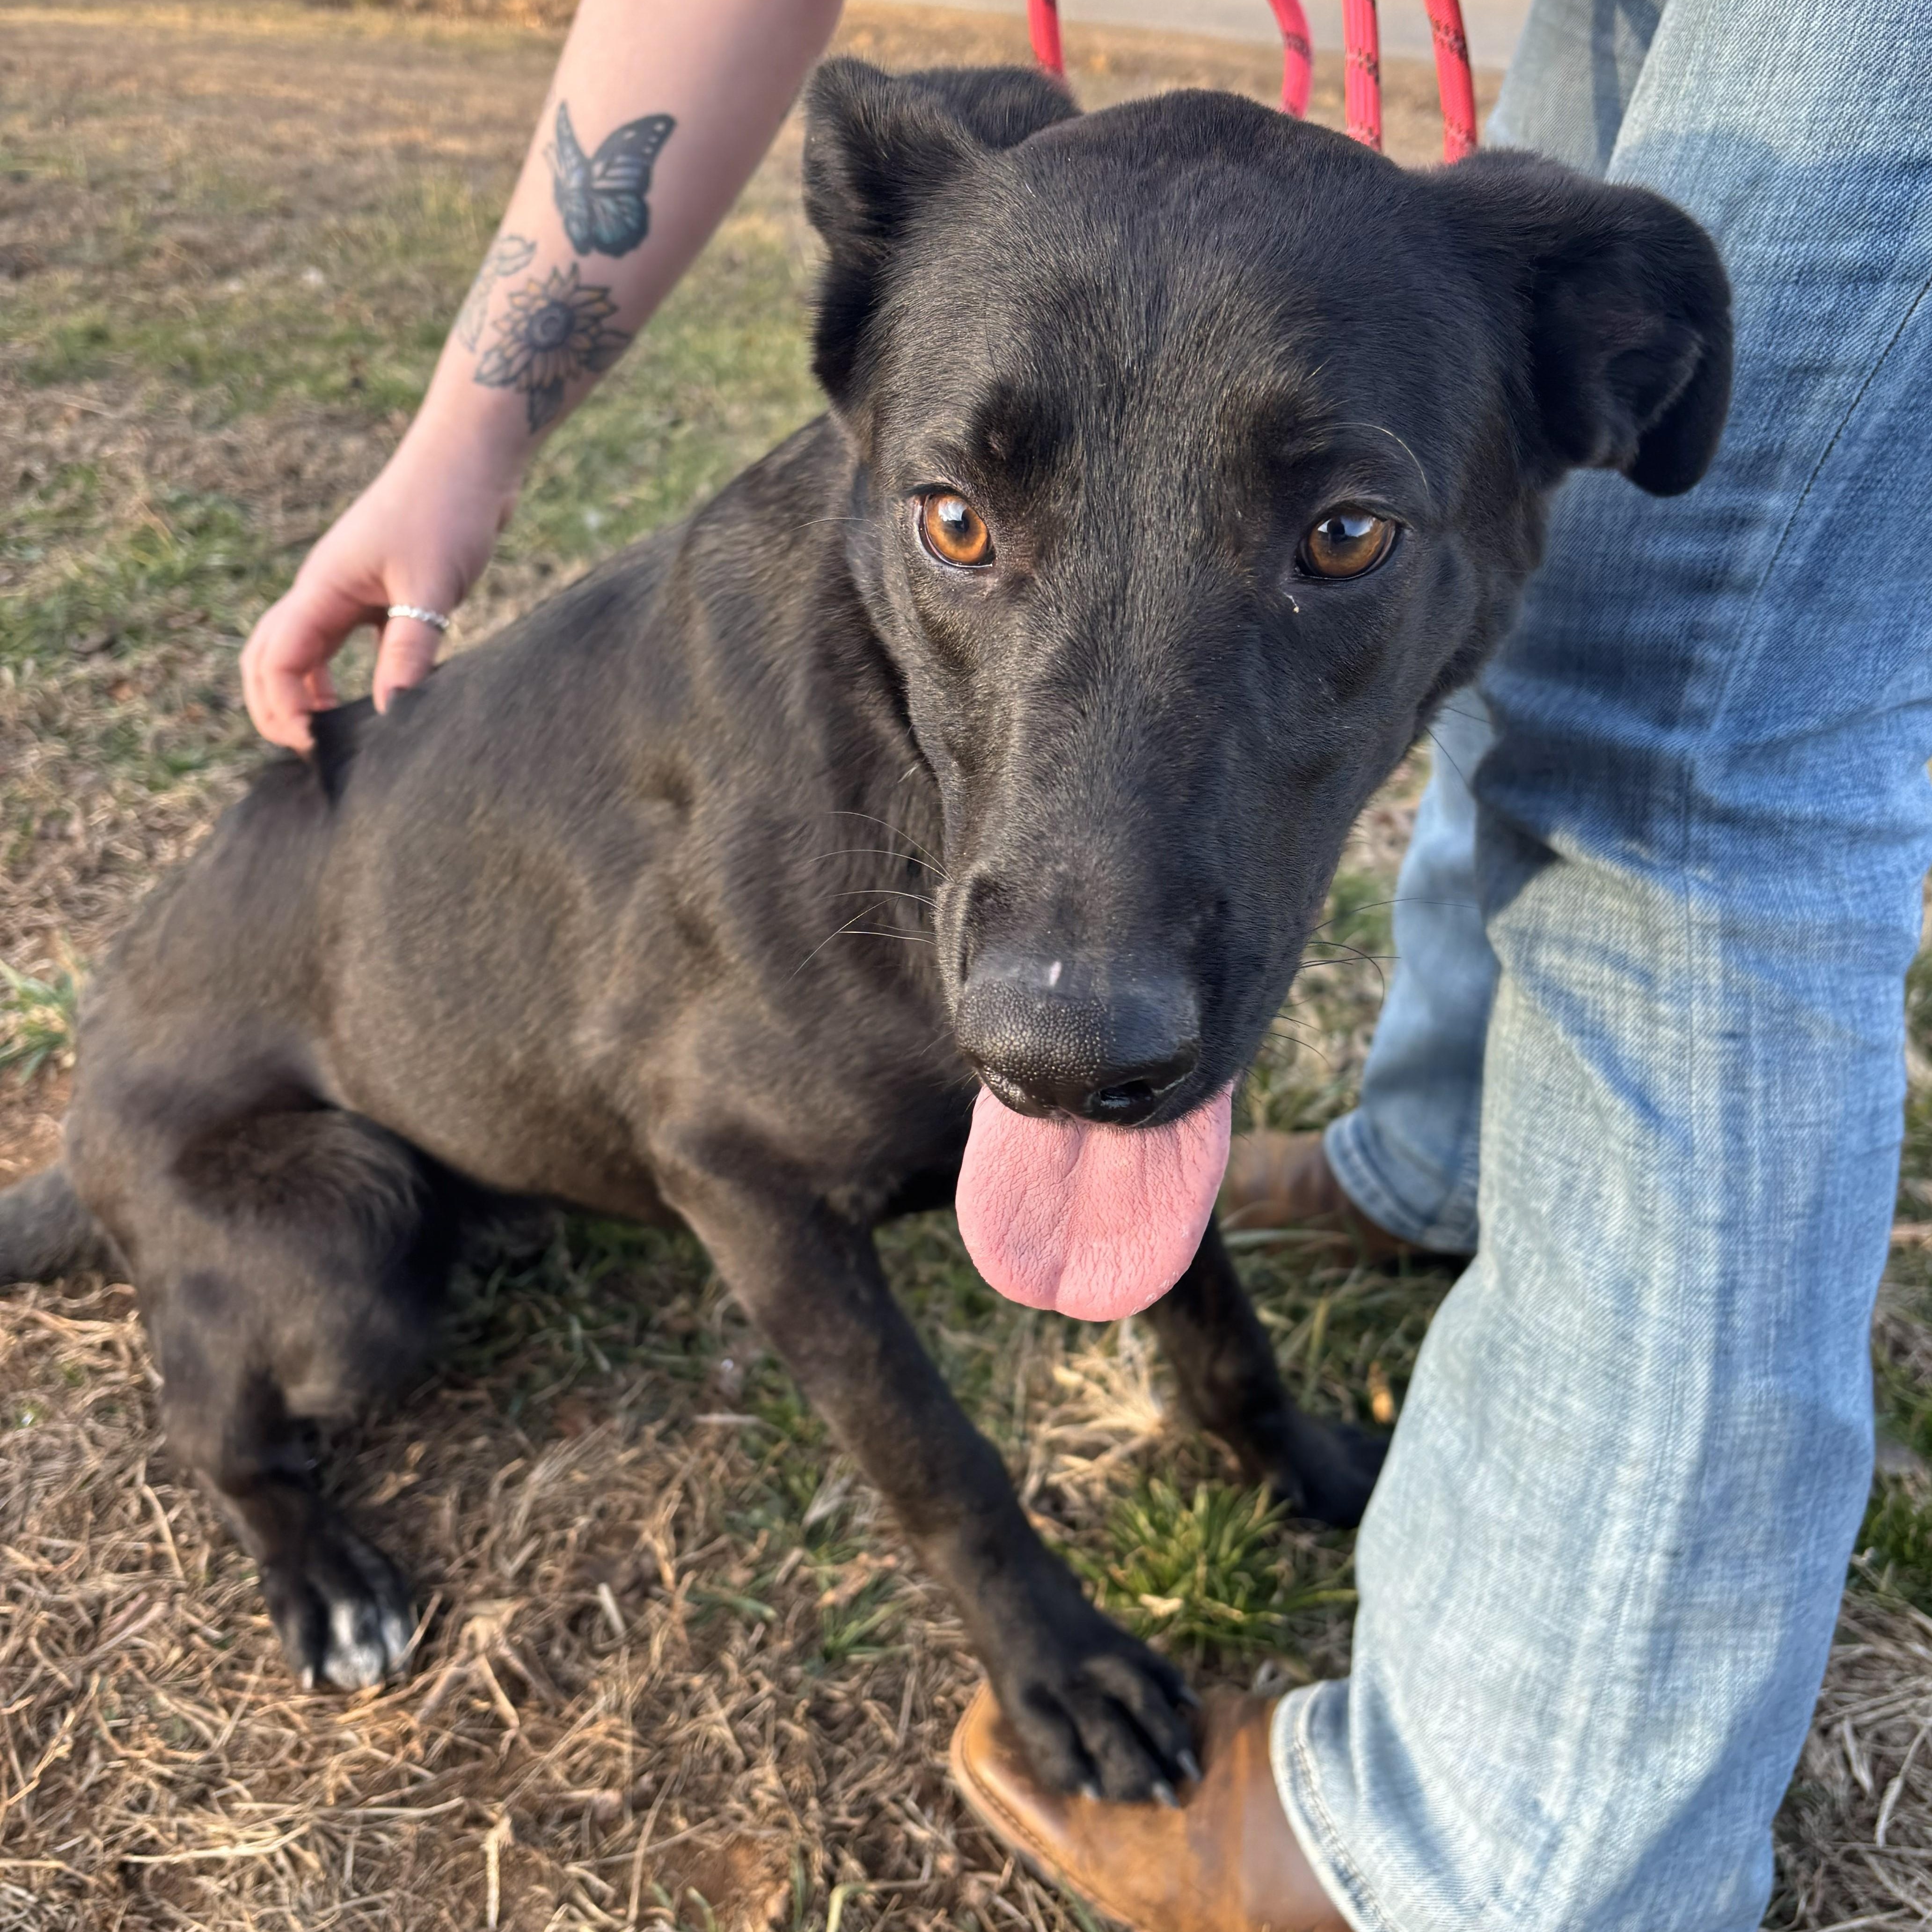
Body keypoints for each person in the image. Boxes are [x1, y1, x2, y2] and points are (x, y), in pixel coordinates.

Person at [241, 2, 1932, 1929]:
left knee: (1686, 731)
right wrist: (468, 438)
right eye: (963, 521)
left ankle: (1536, 1854)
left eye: (1344, 530)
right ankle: (1436, 1173)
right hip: (293, 1113)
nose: (1070, 1002)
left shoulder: (1522, 298)